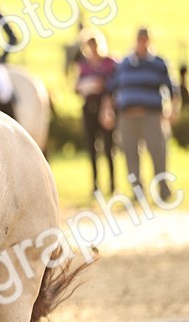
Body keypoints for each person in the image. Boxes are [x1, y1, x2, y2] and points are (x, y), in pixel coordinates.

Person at [110, 28, 179, 202]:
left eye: (145, 39)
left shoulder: (158, 63)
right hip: (127, 117)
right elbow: (112, 89)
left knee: (158, 154)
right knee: (130, 156)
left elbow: (172, 89)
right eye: (140, 39)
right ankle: (137, 193)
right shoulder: (124, 63)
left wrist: (173, 109)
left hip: (151, 116)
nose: (142, 42)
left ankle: (163, 190)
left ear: (150, 41)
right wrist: (109, 110)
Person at [74, 31, 117, 195]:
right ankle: (95, 185)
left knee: (108, 146)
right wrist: (90, 85)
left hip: (105, 106)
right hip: (89, 107)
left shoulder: (109, 63)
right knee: (92, 147)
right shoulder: (84, 65)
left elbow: (111, 84)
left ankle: (113, 185)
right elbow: (76, 87)